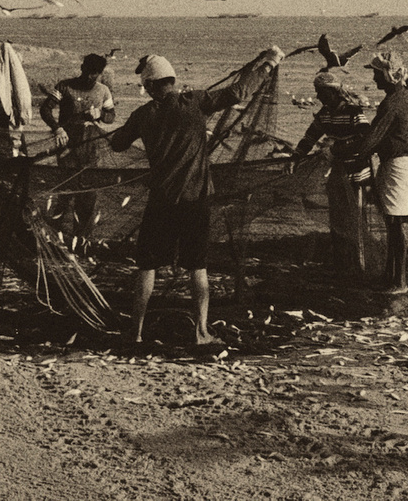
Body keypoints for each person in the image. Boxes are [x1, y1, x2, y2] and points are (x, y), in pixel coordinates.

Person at [108, 45, 284, 349]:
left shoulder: (142, 114)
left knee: (147, 266)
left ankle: (135, 332)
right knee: (197, 266)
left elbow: (118, 144)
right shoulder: (195, 102)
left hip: (162, 201)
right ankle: (201, 333)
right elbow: (240, 92)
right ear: (173, 81)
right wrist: (268, 64)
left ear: (150, 86)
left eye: (146, 85)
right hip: (196, 199)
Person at [291, 69, 371, 273]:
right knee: (337, 218)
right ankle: (342, 263)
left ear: (333, 92)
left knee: (356, 219)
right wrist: (295, 158)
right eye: (316, 92)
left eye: (321, 92)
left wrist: (335, 148)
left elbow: (365, 139)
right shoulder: (325, 114)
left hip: (357, 175)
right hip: (337, 174)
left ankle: (360, 266)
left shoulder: (354, 112)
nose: (317, 96)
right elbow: (309, 137)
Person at [358, 50, 408, 296]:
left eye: (376, 74)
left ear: (387, 74)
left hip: (399, 166)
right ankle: (391, 276)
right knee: (393, 222)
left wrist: (350, 152)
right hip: (398, 163)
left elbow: (372, 138)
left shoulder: (394, 102)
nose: (374, 80)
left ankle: (399, 280)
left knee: (397, 223)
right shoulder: (404, 96)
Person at [40, 54, 116, 242]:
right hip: (67, 147)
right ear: (82, 68)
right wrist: (57, 129)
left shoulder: (103, 91)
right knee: (65, 192)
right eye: (89, 72)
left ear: (100, 74)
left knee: (88, 197)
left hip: (91, 149)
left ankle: (81, 241)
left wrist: (100, 114)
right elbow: (45, 109)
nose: (92, 77)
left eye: (96, 74)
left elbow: (111, 115)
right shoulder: (65, 86)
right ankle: (54, 238)